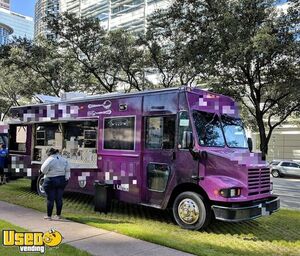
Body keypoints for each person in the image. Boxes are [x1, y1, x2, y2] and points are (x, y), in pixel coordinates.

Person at [41, 148, 70, 220]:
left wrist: (48, 172)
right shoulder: (64, 160)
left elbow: (43, 170)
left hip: (51, 179)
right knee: (59, 198)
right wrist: (66, 178)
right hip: (62, 179)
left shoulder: (50, 159)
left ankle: (49, 216)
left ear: (49, 153)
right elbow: (68, 170)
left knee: (50, 198)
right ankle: (58, 215)